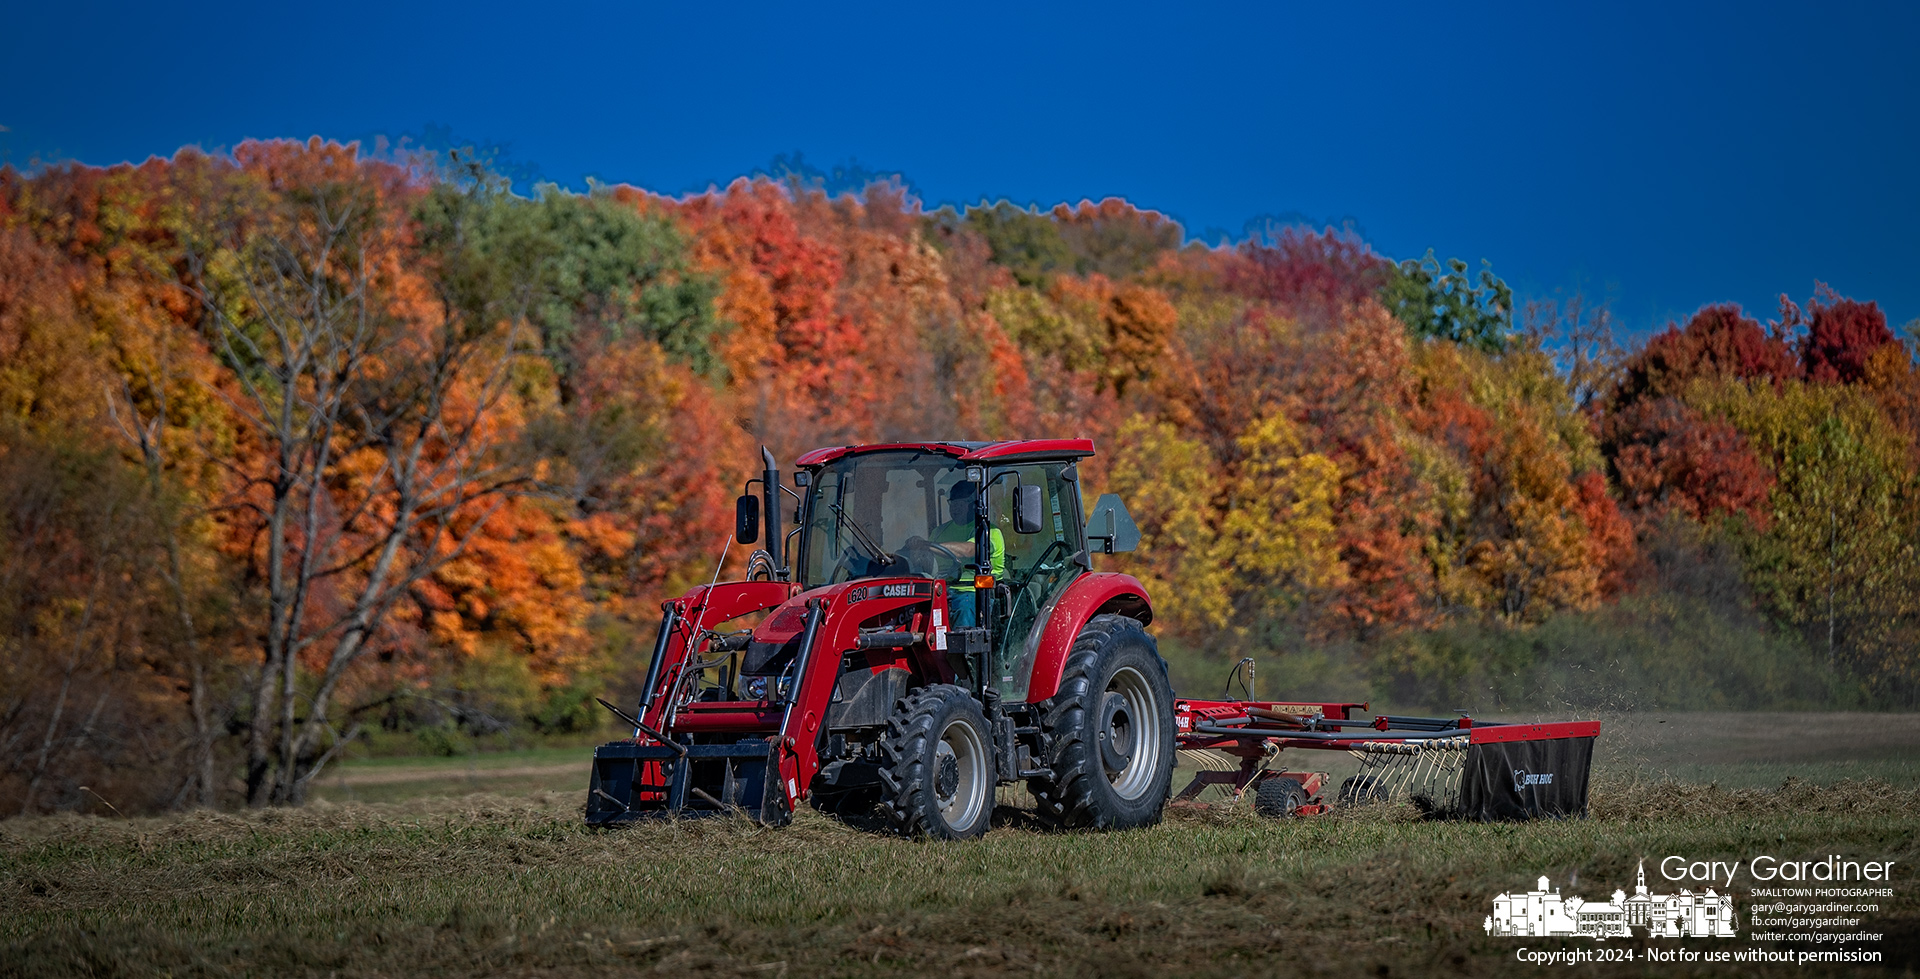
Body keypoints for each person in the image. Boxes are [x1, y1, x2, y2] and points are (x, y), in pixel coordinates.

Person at [923, 480, 1003, 628]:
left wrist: (927, 547)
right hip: (941, 591)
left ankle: (966, 650)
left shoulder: (989, 532)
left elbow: (968, 550)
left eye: (962, 502)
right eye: (952, 502)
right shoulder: (939, 532)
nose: (955, 507)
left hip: (975, 592)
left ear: (974, 504)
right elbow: (923, 560)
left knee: (965, 607)